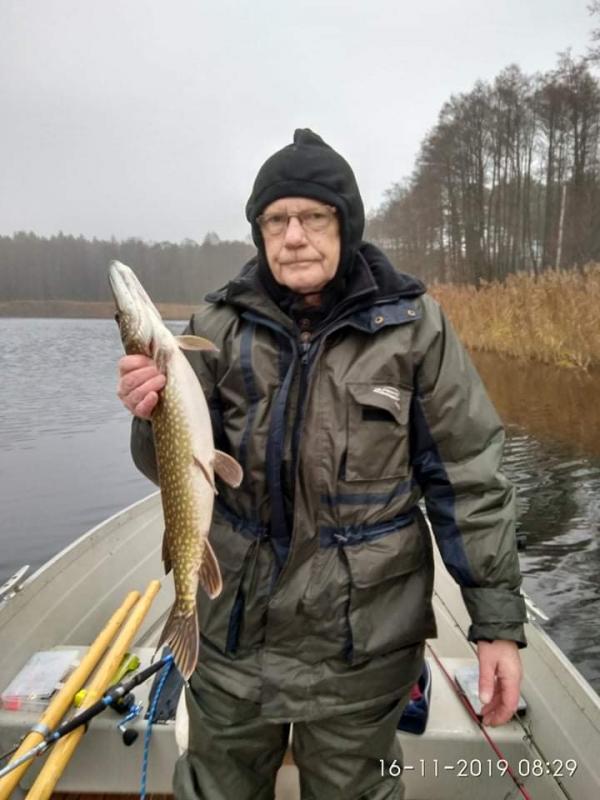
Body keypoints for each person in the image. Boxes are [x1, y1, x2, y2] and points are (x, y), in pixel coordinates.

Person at [117, 129, 526, 800]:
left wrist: (498, 626)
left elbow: (470, 479)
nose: (294, 237)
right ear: (259, 232)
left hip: (361, 649)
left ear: (347, 224)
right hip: (233, 637)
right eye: (275, 220)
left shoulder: (415, 328)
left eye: (313, 216)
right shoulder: (214, 327)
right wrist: (146, 412)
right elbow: (172, 468)